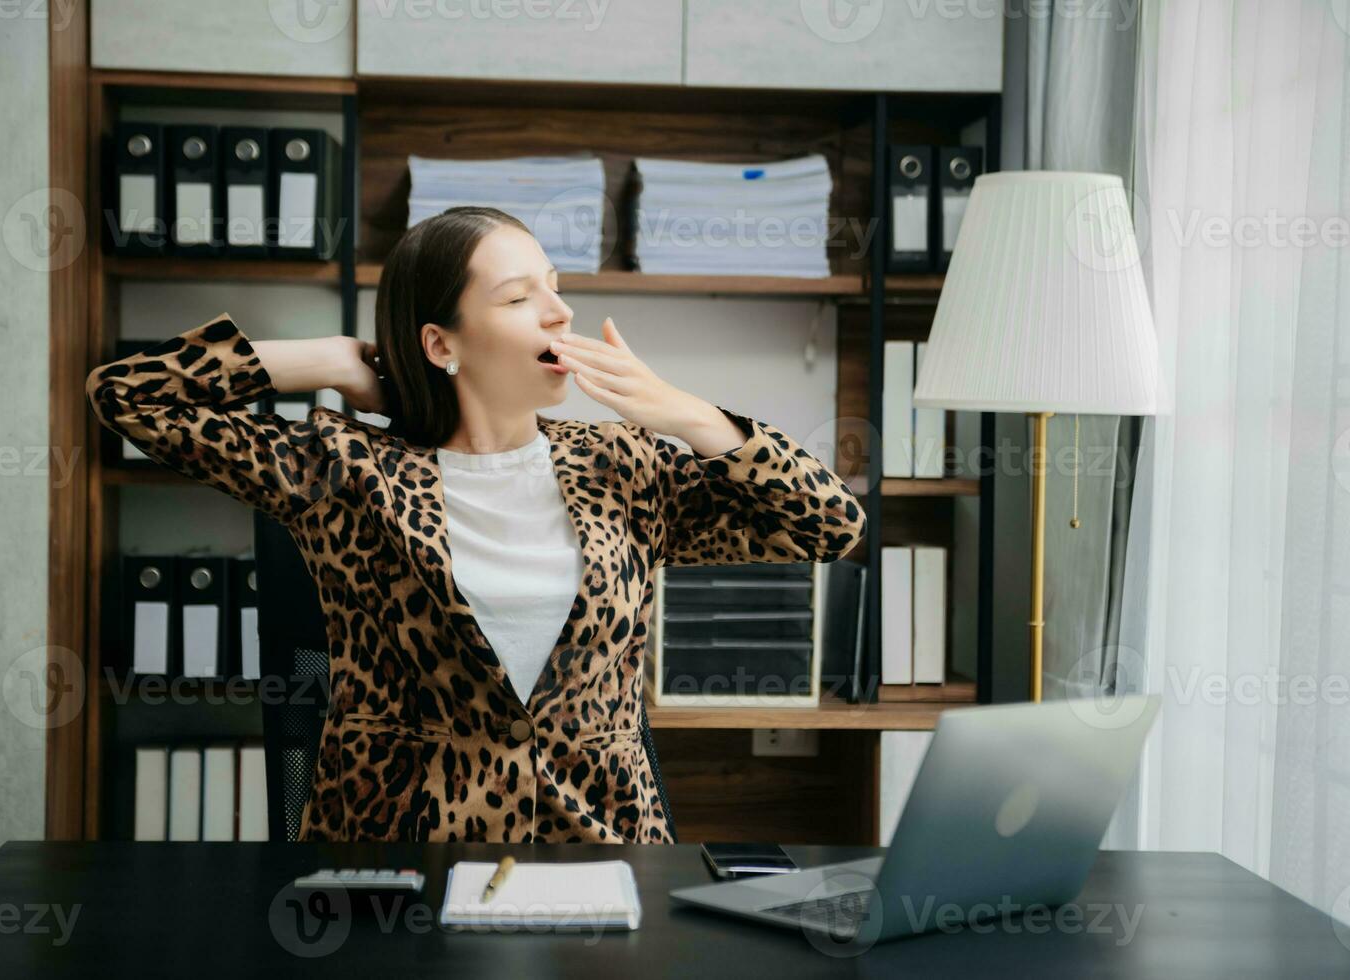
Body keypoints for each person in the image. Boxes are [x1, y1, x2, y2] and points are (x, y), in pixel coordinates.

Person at [85, 205, 866, 844]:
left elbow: (829, 525)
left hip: (600, 854)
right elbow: (126, 399)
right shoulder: (344, 469)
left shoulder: (622, 468)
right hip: (399, 860)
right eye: (521, 297)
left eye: (555, 288)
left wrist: (686, 414)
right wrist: (332, 358)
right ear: (440, 343)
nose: (561, 312)